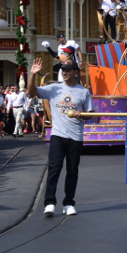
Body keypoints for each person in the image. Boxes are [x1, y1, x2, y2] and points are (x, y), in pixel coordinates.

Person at [27, 58, 93, 217]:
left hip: (75, 137)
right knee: (54, 169)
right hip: (58, 135)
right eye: (63, 70)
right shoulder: (53, 89)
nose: (64, 72)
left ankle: (69, 203)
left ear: (75, 72)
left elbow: (89, 114)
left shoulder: (83, 92)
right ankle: (49, 202)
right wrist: (33, 74)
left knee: (72, 171)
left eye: (68, 70)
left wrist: (81, 114)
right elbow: (31, 92)